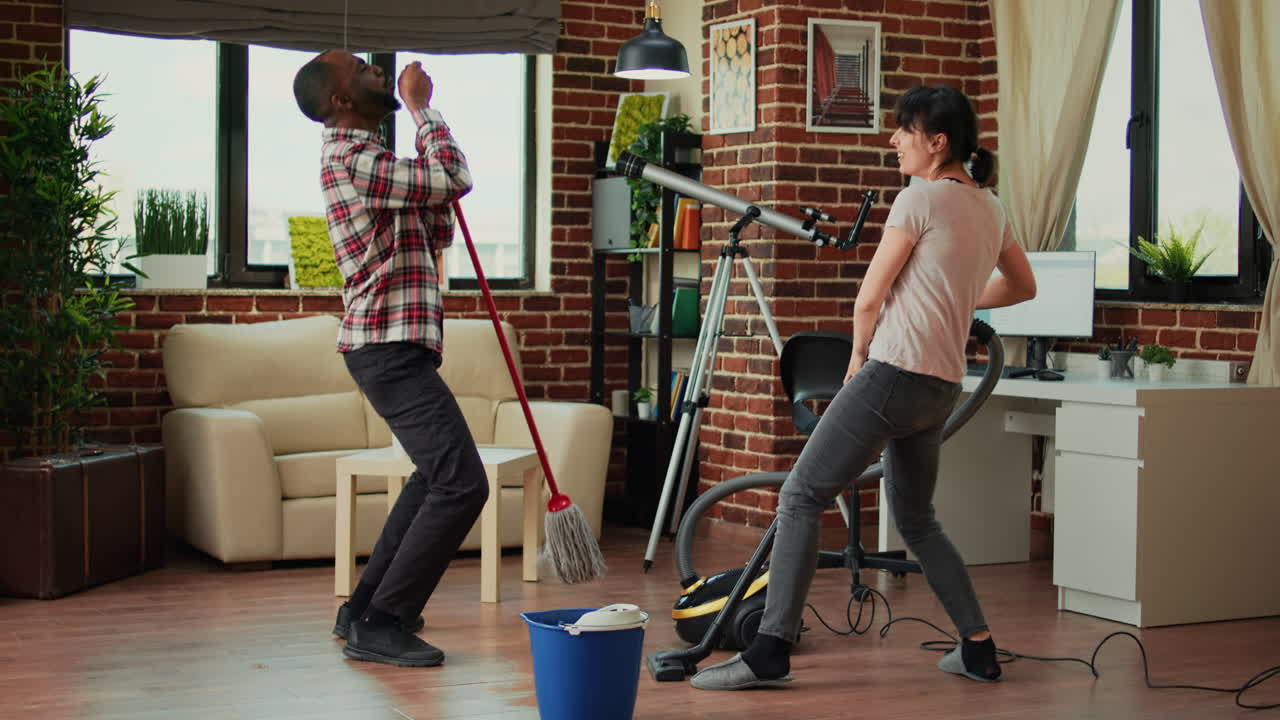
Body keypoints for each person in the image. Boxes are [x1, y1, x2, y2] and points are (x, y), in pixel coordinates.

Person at [692, 85, 1037, 691]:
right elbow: (1022, 286)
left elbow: (870, 297)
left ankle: (770, 649)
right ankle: (978, 648)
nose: (893, 140)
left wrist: (857, 358)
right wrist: (956, 299)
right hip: (941, 386)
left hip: (893, 372)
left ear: (938, 142)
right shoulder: (991, 207)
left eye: (906, 131)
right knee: (917, 518)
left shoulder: (918, 198)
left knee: (800, 495)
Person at [292, 50, 484, 668]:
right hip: (386, 346)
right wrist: (422, 107)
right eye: (362, 70)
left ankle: (363, 609)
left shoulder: (370, 160)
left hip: (392, 346)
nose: (378, 69)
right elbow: (452, 180)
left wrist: (429, 191)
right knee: (462, 482)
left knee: (435, 476)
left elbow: (435, 223)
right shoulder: (352, 156)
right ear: (340, 101)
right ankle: (384, 621)